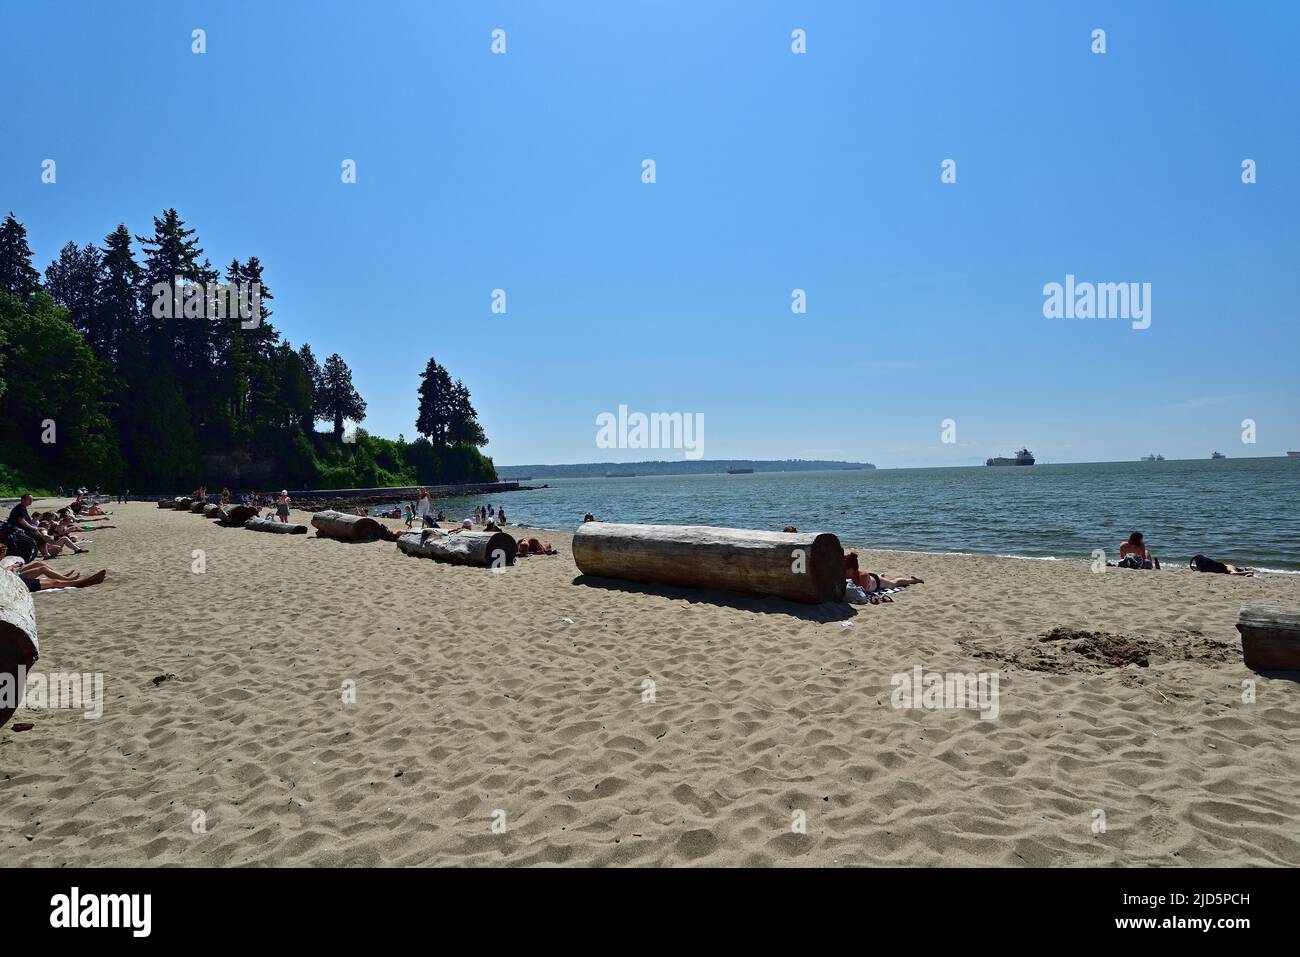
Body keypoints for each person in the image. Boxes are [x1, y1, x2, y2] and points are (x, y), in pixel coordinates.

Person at [1, 545, 107, 590]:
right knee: (53, 582)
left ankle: (70, 580)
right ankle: (78, 582)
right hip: (14, 582)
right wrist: (13, 567)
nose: (4, 556)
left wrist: (13, 567)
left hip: (15, 578)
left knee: (48, 576)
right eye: (3, 554)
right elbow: (4, 574)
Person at [844, 552, 923, 593]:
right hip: (871, 578)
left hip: (877, 582)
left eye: (844, 569)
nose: (842, 570)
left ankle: (913, 580)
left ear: (851, 569)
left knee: (894, 583)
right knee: (880, 577)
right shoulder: (846, 574)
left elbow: (862, 593)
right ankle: (881, 575)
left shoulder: (862, 576)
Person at [1190, 554, 1256, 576]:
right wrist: (1248, 572)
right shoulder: (1230, 567)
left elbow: (1234, 572)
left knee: (1234, 573)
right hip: (1223, 568)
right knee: (1234, 573)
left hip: (1220, 567)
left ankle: (1248, 572)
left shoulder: (1230, 567)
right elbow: (1234, 573)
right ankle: (1249, 572)